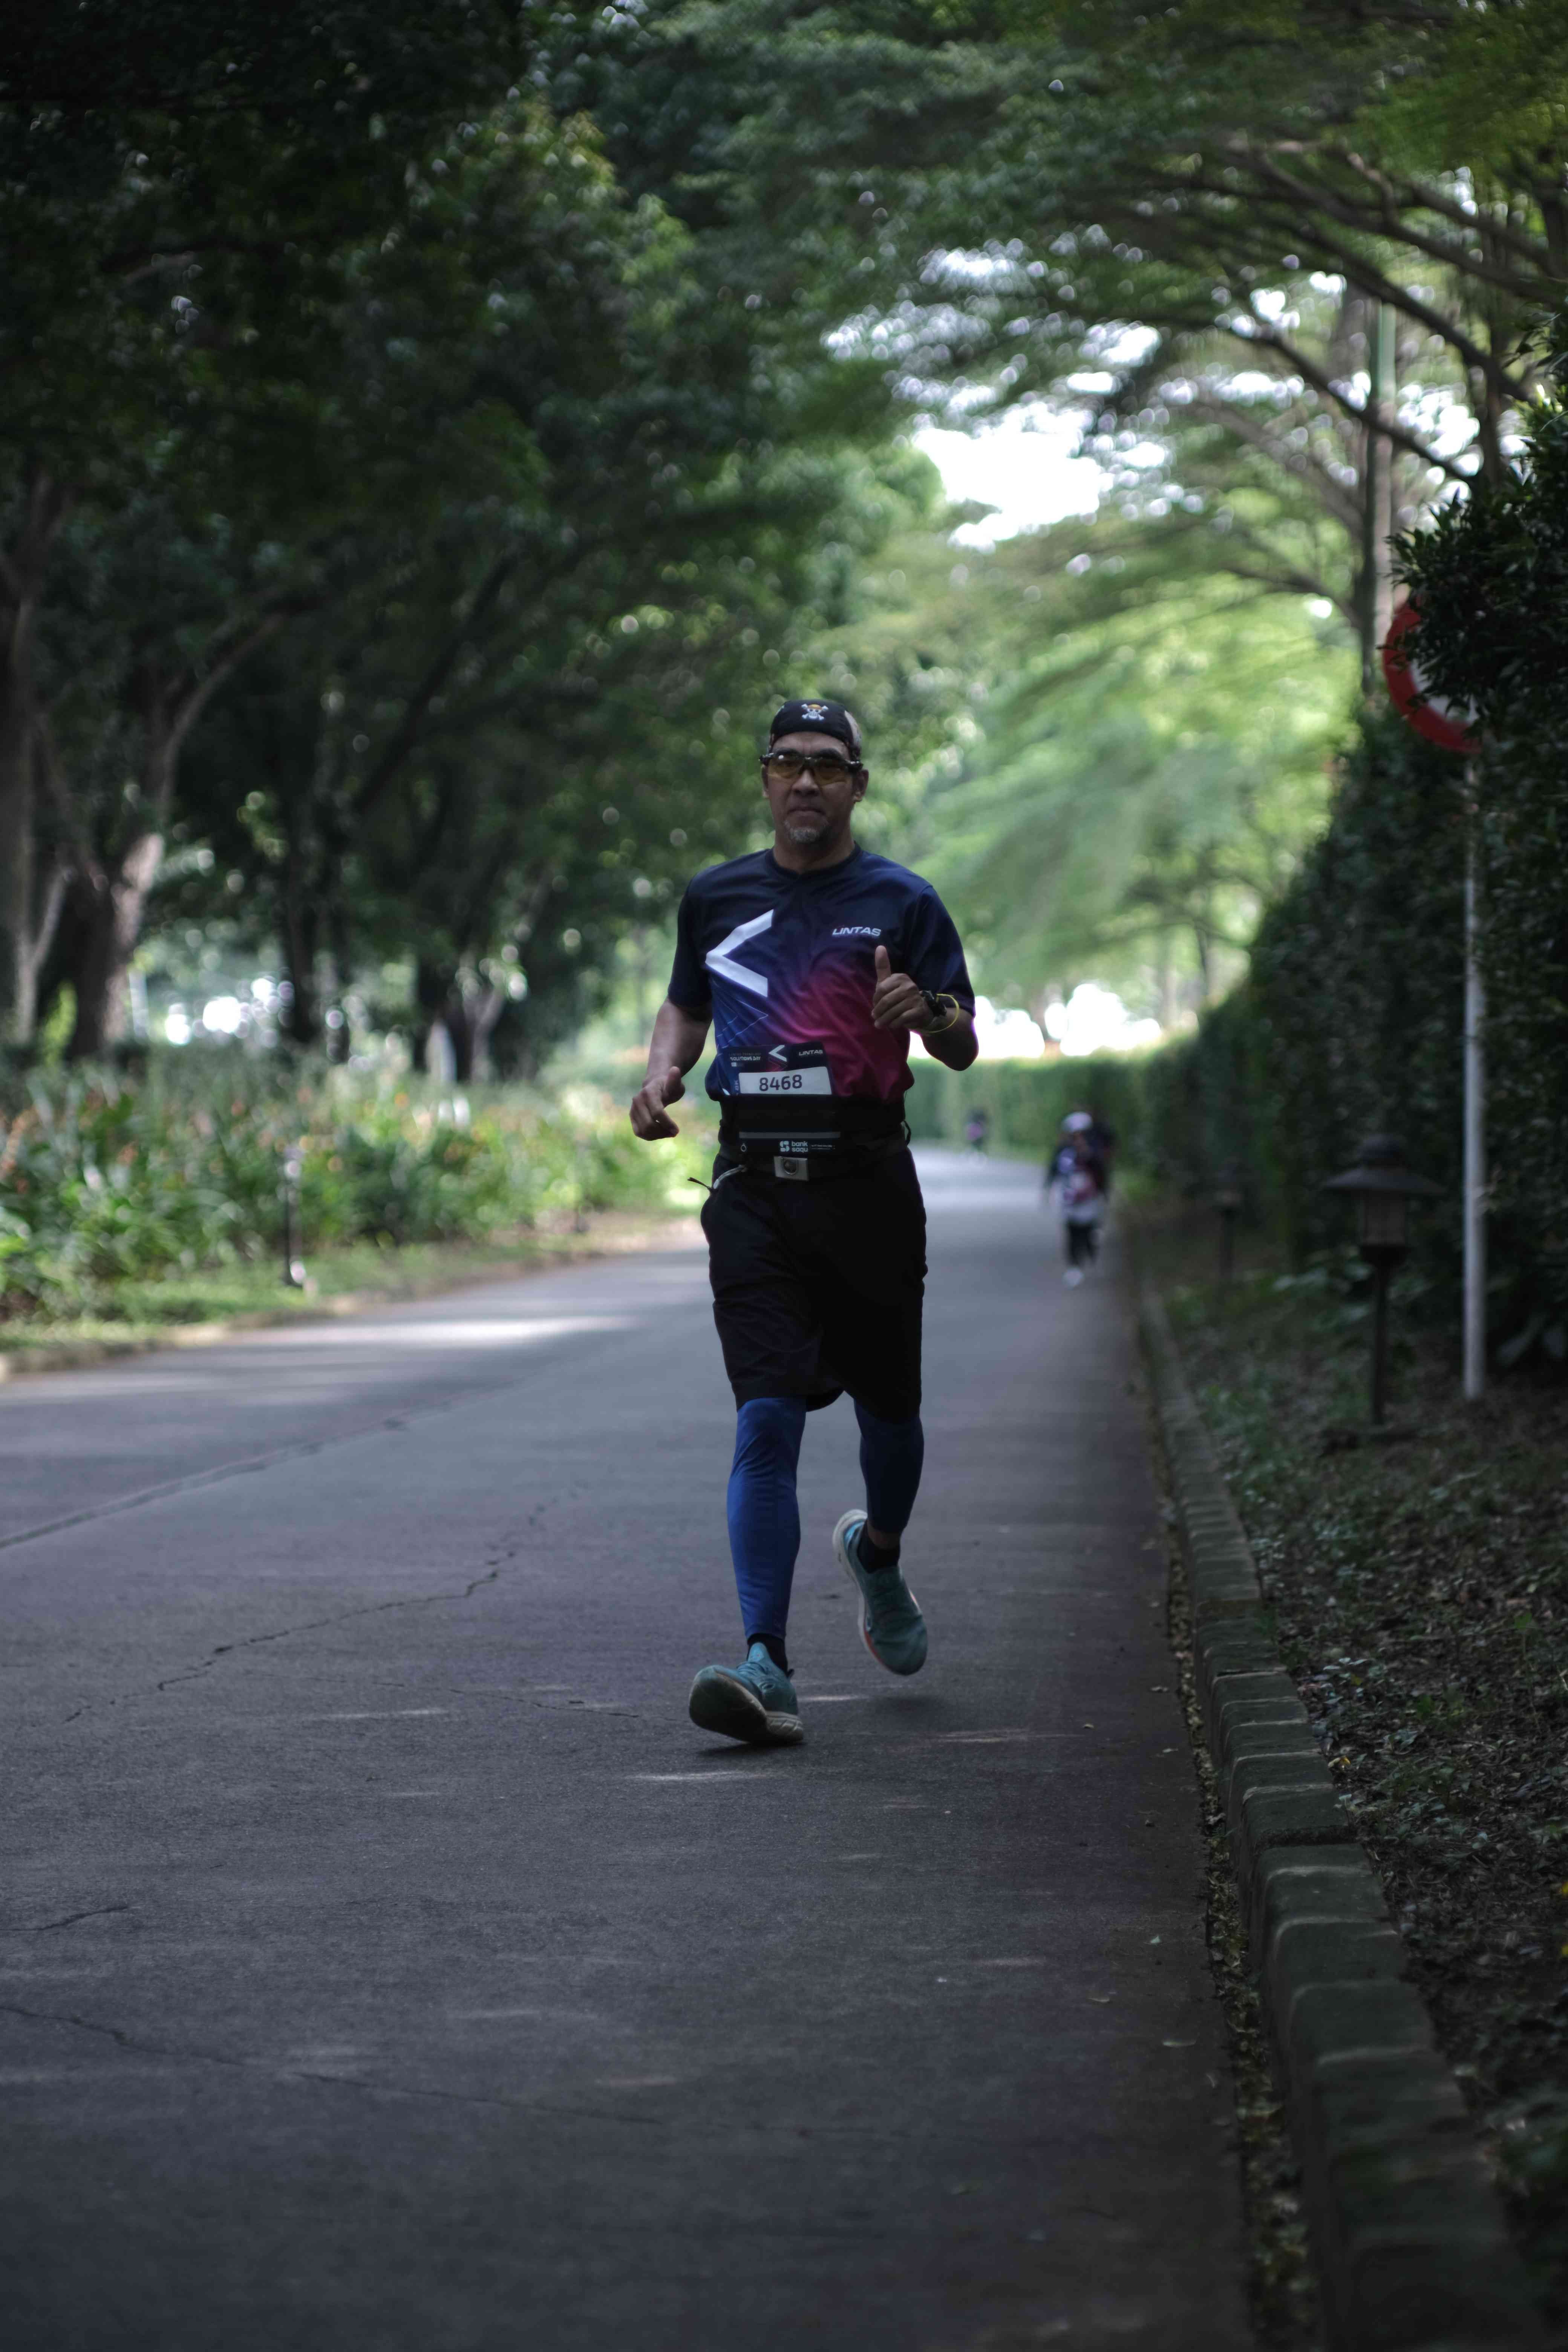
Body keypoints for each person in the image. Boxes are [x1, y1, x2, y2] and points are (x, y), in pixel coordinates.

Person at [629, 697, 978, 1747]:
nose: (807, 780)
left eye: (828, 764)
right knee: (766, 1416)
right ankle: (766, 1665)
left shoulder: (903, 901)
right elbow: (687, 1002)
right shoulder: (717, 896)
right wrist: (662, 1073)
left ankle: (878, 1551)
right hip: (754, 1190)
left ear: (857, 785)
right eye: (788, 762)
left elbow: (962, 1041)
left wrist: (929, 1013)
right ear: (767, 778)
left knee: (890, 1416)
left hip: (868, 1186)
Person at [1048, 1133, 1104, 1285]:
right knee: (1072, 1235)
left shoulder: (1094, 1157)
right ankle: (1074, 1267)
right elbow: (1056, 1172)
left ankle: (1090, 1253)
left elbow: (1102, 1178)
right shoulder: (1066, 1156)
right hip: (1071, 1204)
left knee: (1087, 1234)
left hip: (1089, 1203)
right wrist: (1051, 1190)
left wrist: (1101, 1196)